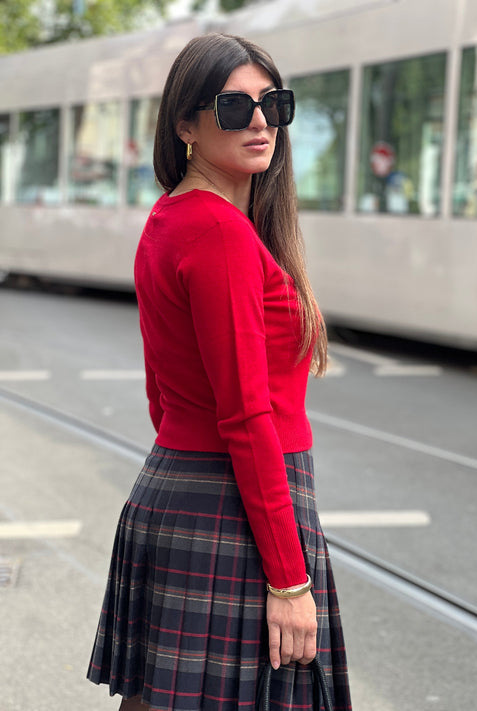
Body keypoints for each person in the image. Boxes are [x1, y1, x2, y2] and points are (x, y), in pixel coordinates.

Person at [87, 32, 352, 711]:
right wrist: (288, 579)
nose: (260, 122)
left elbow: (163, 393)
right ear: (186, 125)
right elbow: (244, 412)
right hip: (237, 507)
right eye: (234, 108)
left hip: (185, 492)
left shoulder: (171, 218)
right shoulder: (220, 233)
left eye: (273, 104)